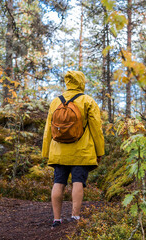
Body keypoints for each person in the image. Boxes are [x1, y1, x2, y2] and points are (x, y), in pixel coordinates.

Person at [42, 71, 105, 228]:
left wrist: (46, 152)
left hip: (59, 152)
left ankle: (57, 219)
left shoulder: (55, 102)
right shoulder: (87, 101)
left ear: (67, 83)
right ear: (81, 82)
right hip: (81, 152)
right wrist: (100, 152)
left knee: (58, 182)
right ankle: (75, 216)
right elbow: (97, 129)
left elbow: (47, 130)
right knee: (78, 181)